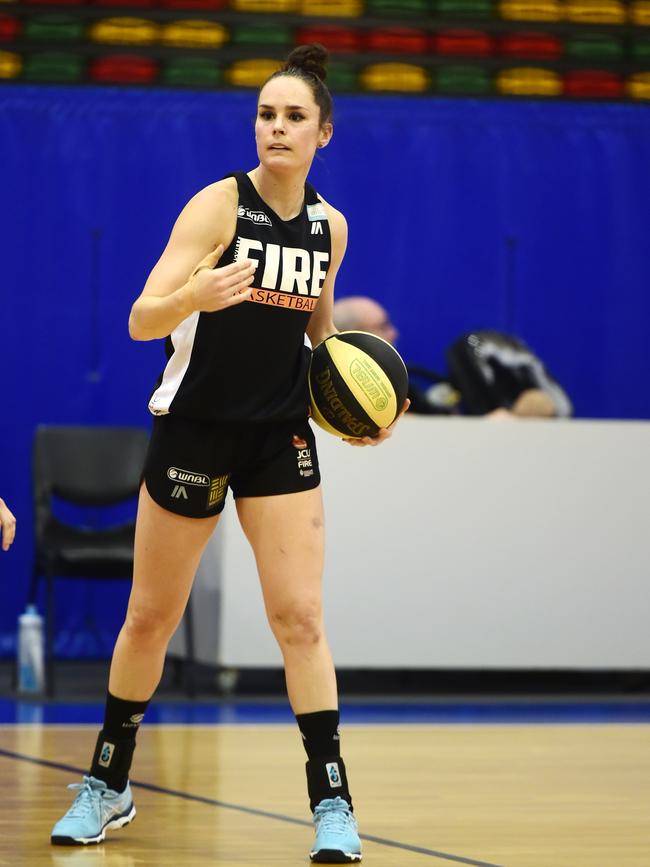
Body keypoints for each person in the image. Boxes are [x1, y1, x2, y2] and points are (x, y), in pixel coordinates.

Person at [51, 44, 407, 863]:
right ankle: (109, 780)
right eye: (265, 114)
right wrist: (194, 294)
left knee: (302, 618)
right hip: (197, 426)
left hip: (278, 434)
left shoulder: (329, 226)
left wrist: (359, 411)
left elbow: (319, 338)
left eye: (293, 117)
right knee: (150, 617)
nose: (276, 128)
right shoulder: (218, 207)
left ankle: (333, 801)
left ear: (324, 132)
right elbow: (143, 318)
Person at [333, 297, 571, 419]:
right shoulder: (328, 386)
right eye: (382, 326)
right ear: (353, 333)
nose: (393, 333)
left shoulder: (405, 388)